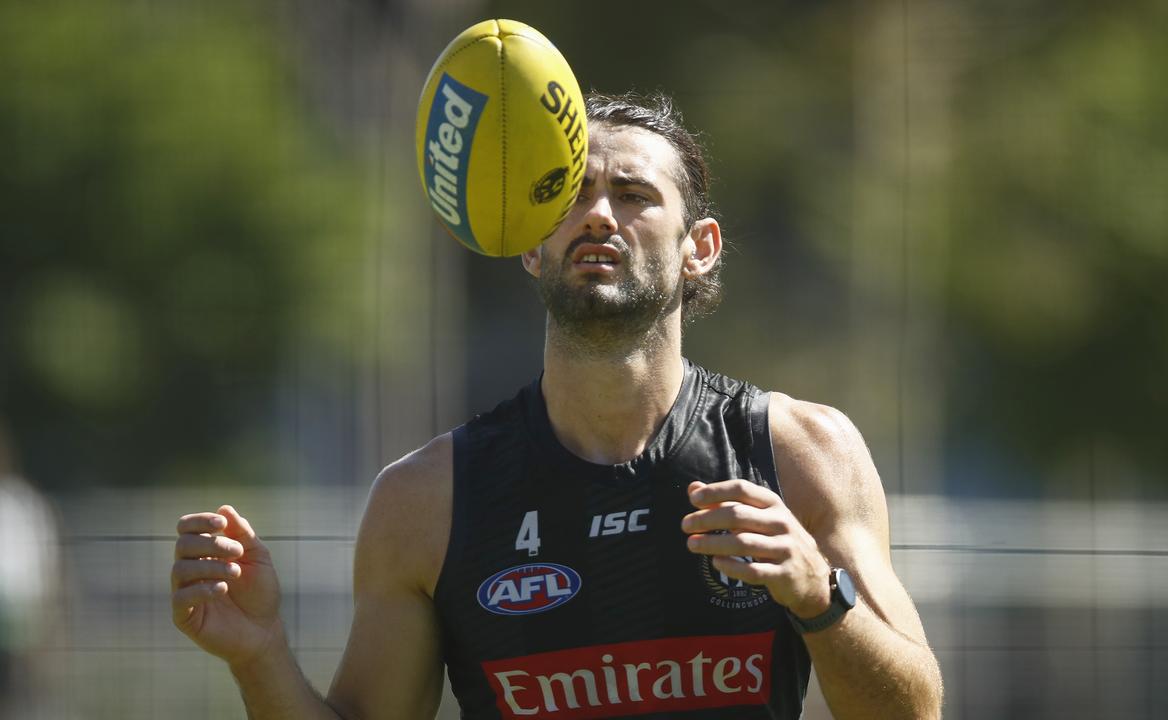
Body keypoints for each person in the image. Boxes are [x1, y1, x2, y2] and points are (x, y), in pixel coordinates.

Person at [170, 91, 942, 719]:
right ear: (531, 245)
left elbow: (916, 714)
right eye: (567, 196)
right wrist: (260, 654)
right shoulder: (425, 501)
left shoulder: (801, 454)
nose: (599, 214)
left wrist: (817, 593)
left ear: (698, 247)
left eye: (634, 194)